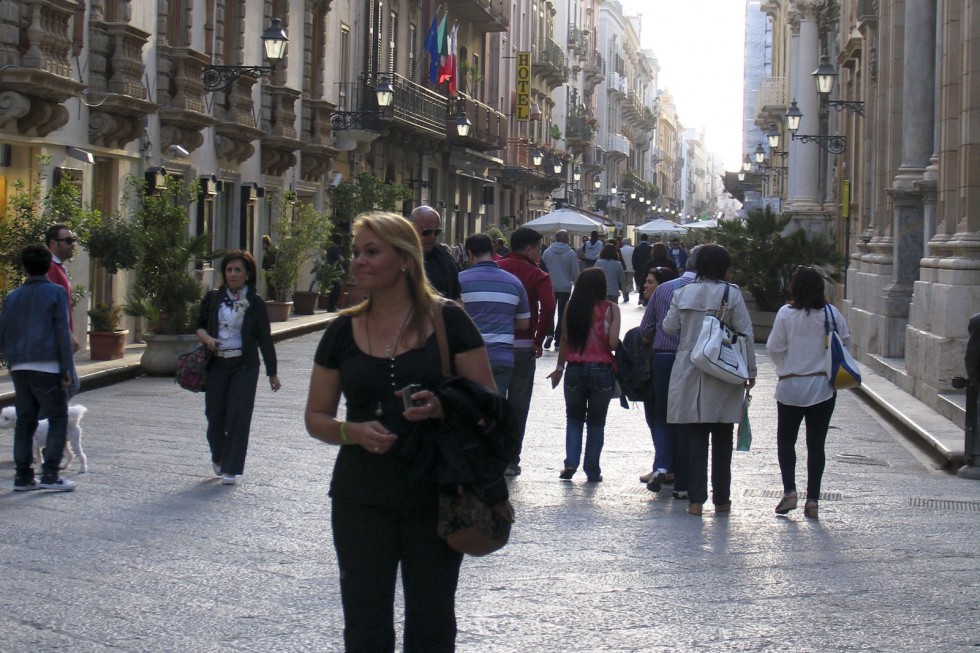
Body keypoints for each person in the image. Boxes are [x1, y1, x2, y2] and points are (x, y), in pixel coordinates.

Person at [304, 211, 494, 652]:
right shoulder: (340, 331)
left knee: (431, 621)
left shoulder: (450, 322)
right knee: (365, 623)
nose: (359, 262)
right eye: (356, 253)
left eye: (372, 251)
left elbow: (488, 400)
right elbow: (316, 416)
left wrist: (442, 405)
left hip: (437, 497)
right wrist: (351, 432)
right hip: (360, 498)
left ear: (404, 259)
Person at [663, 244, 756, 516]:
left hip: (690, 368)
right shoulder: (732, 294)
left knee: (695, 438)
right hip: (724, 370)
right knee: (723, 437)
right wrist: (750, 373)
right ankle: (722, 500)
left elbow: (669, 327)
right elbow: (746, 334)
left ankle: (695, 500)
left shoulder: (682, 293)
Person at [766, 266, 851, 519]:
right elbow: (845, 343)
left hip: (791, 386)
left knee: (786, 441)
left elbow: (774, 347)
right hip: (822, 387)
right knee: (816, 445)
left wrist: (785, 366)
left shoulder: (785, 314)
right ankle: (813, 498)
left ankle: (790, 490)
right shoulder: (832, 314)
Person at [196, 250, 281, 485]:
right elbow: (199, 327)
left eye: (237, 270)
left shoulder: (255, 302)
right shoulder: (214, 298)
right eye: (229, 270)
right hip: (217, 364)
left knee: (238, 416)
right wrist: (208, 340)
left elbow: (265, 338)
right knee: (214, 416)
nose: (232, 274)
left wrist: (272, 372)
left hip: (244, 366)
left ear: (247, 274)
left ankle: (231, 468)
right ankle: (219, 455)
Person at [0, 245, 76, 491]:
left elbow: (4, 331)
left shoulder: (12, 297)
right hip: (48, 365)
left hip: (20, 365)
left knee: (25, 421)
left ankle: (23, 476)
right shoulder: (56, 293)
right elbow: (62, 332)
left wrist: (10, 361)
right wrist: (67, 368)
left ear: (23, 267)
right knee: (58, 417)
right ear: (48, 267)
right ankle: (50, 474)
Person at [548, 268, 621, 483]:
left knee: (574, 419)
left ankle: (570, 463)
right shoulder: (612, 309)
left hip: (574, 369)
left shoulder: (571, 307)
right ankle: (592, 470)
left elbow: (564, 340)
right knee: (597, 423)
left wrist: (559, 369)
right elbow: (614, 343)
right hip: (601, 370)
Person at [499, 226, 555, 476]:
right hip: (523, 347)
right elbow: (549, 308)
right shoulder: (538, 275)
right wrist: (538, 339)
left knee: (493, 402)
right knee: (518, 404)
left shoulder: (497, 269)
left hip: (493, 346)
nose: (540, 254)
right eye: (539, 248)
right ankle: (512, 458)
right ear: (529, 248)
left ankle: (492, 455)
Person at [638, 257, 693, 496]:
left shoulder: (664, 290)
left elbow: (646, 329)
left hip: (664, 358)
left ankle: (661, 465)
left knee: (662, 416)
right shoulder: (715, 292)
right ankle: (682, 475)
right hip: (694, 359)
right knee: (686, 417)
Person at [459, 234, 530, 396]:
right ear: (492, 251)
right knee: (494, 409)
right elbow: (524, 323)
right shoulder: (514, 283)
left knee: (469, 407)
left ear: (469, 254)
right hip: (502, 357)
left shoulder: (460, 281)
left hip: (470, 358)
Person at [44, 224, 80, 398]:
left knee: (68, 385)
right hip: (56, 341)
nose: (72, 244)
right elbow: (51, 307)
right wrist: (66, 335)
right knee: (69, 385)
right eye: (67, 240)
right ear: (53, 244)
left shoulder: (59, 268)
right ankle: (47, 421)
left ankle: (48, 420)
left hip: (61, 339)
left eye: (73, 240)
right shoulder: (51, 269)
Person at [409, 205, 461, 300]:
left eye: (436, 232)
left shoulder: (445, 257)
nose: (432, 237)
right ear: (411, 229)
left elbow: (457, 297)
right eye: (426, 232)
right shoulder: (398, 258)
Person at [541, 229, 580, 350]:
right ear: (564, 238)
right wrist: (577, 285)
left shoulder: (547, 252)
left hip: (549, 286)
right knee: (563, 313)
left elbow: (542, 269)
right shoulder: (571, 254)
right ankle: (558, 339)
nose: (569, 239)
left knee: (549, 311)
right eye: (567, 237)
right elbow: (575, 272)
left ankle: (549, 333)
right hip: (565, 287)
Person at [325, 233, 345, 312]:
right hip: (334, 272)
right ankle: (331, 306)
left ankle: (331, 306)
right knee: (336, 289)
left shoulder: (330, 248)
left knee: (335, 288)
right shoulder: (335, 249)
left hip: (331, 271)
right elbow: (339, 259)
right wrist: (341, 259)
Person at [631, 234, 652, 301]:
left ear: (640, 239)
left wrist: (635, 268)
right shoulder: (650, 248)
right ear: (647, 239)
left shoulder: (637, 248)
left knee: (640, 283)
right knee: (648, 283)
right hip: (648, 269)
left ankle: (641, 297)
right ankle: (646, 297)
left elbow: (634, 259)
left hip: (639, 269)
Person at [261, 234, 279, 301]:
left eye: (262, 244)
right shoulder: (271, 251)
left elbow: (269, 264)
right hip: (272, 275)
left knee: (272, 290)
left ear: (265, 243)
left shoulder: (270, 252)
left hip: (272, 276)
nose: (261, 246)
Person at [620, 237, 635, 302]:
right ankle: (627, 292)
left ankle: (624, 295)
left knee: (623, 283)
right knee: (630, 281)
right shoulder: (633, 249)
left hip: (622, 268)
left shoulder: (620, 250)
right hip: (631, 268)